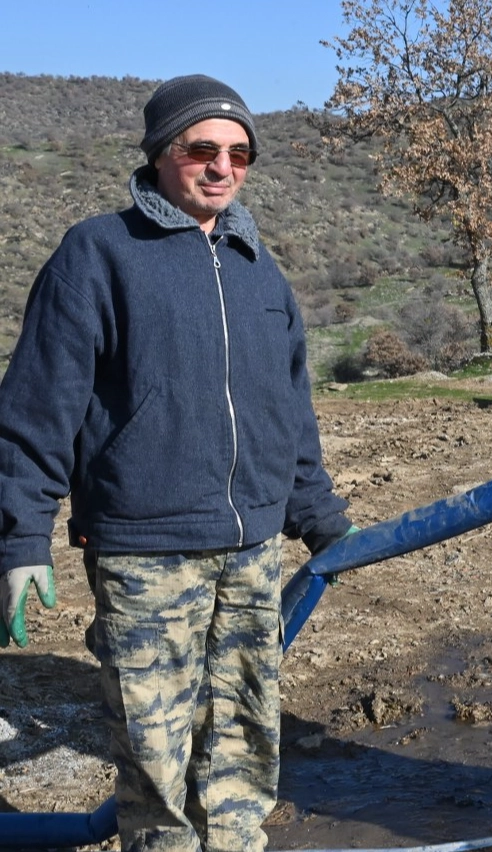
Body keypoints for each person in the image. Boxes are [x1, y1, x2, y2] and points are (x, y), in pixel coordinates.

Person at [0, 74, 355, 852]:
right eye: (201, 148)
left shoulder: (260, 268)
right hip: (144, 554)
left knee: (244, 742)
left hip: (252, 553)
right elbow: (36, 411)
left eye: (239, 153)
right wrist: (22, 540)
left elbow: (289, 411)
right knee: (155, 762)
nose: (221, 166)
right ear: (162, 154)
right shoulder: (99, 253)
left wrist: (323, 521)